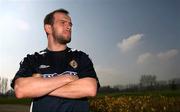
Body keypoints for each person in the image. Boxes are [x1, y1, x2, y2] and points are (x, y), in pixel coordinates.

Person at [11, 8, 100, 112]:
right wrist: (67, 78)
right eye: (63, 22)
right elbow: (21, 90)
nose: (69, 27)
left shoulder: (81, 57)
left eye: (70, 24)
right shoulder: (32, 59)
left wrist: (39, 87)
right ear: (48, 28)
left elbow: (90, 89)